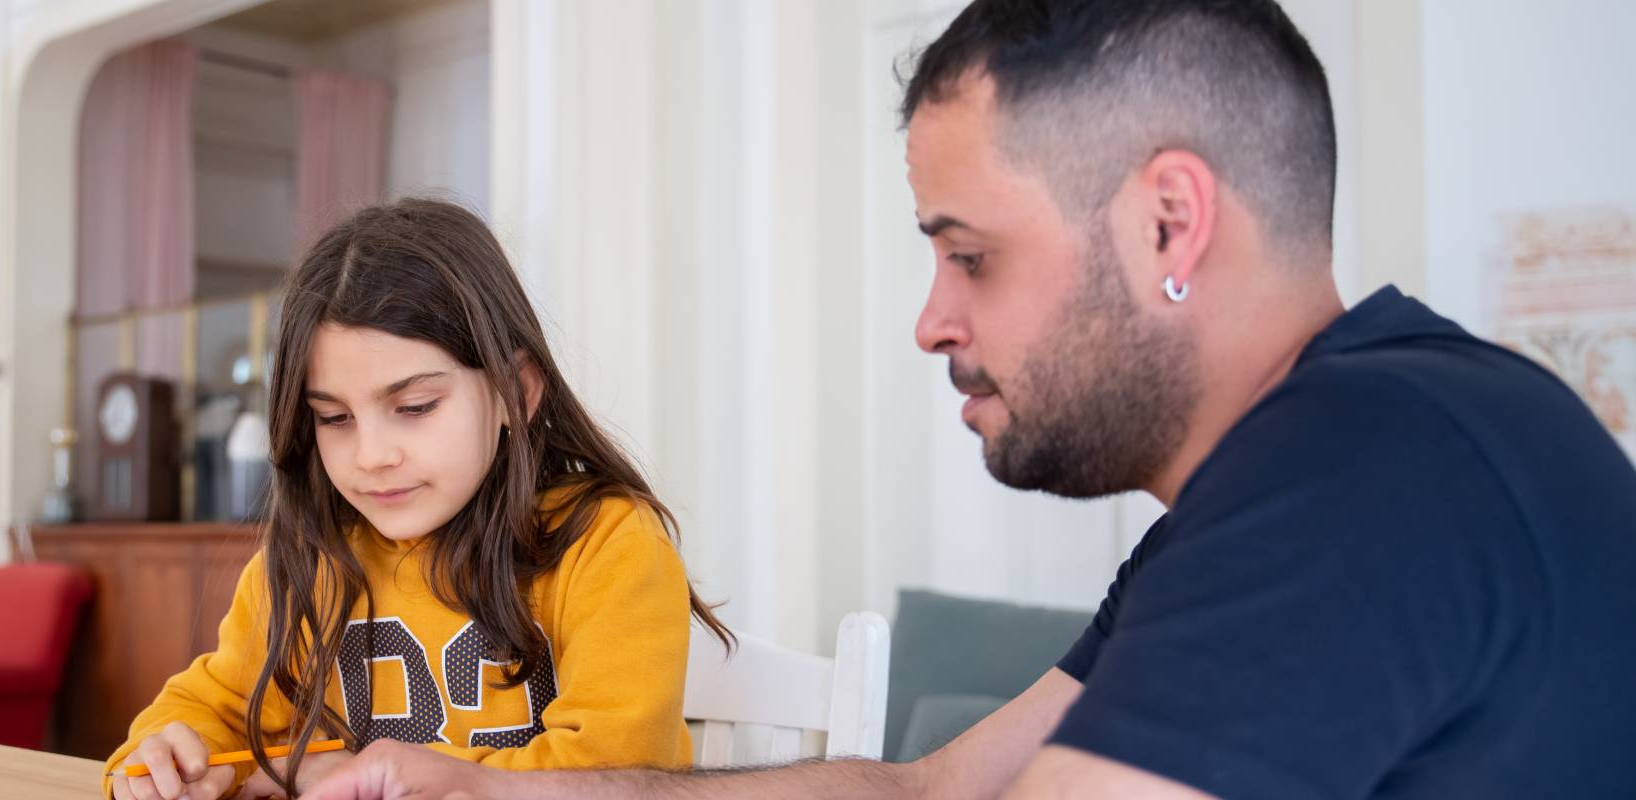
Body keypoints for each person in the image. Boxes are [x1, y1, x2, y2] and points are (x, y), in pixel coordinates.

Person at [299, 1, 1636, 798]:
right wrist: (485, 789)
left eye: (971, 254)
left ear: (1171, 223)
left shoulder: (1365, 471)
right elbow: (932, 788)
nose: (933, 318)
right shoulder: (1306, 479)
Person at [106, 199, 731, 800]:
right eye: (333, 417)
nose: (372, 455)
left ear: (516, 392)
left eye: (414, 408)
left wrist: (348, 774)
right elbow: (211, 710)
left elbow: (616, 773)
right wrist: (167, 761)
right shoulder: (310, 557)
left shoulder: (607, 543)